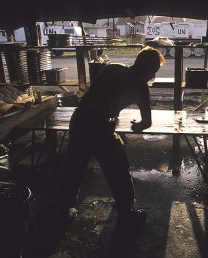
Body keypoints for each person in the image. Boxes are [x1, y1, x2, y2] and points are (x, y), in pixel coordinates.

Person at [57, 46, 165, 227]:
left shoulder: (113, 68)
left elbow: (97, 95)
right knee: (118, 170)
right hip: (101, 127)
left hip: (80, 118)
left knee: (74, 166)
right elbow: (146, 123)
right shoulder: (141, 88)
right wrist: (136, 126)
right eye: (154, 71)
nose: (152, 76)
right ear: (148, 69)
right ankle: (126, 212)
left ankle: (63, 209)